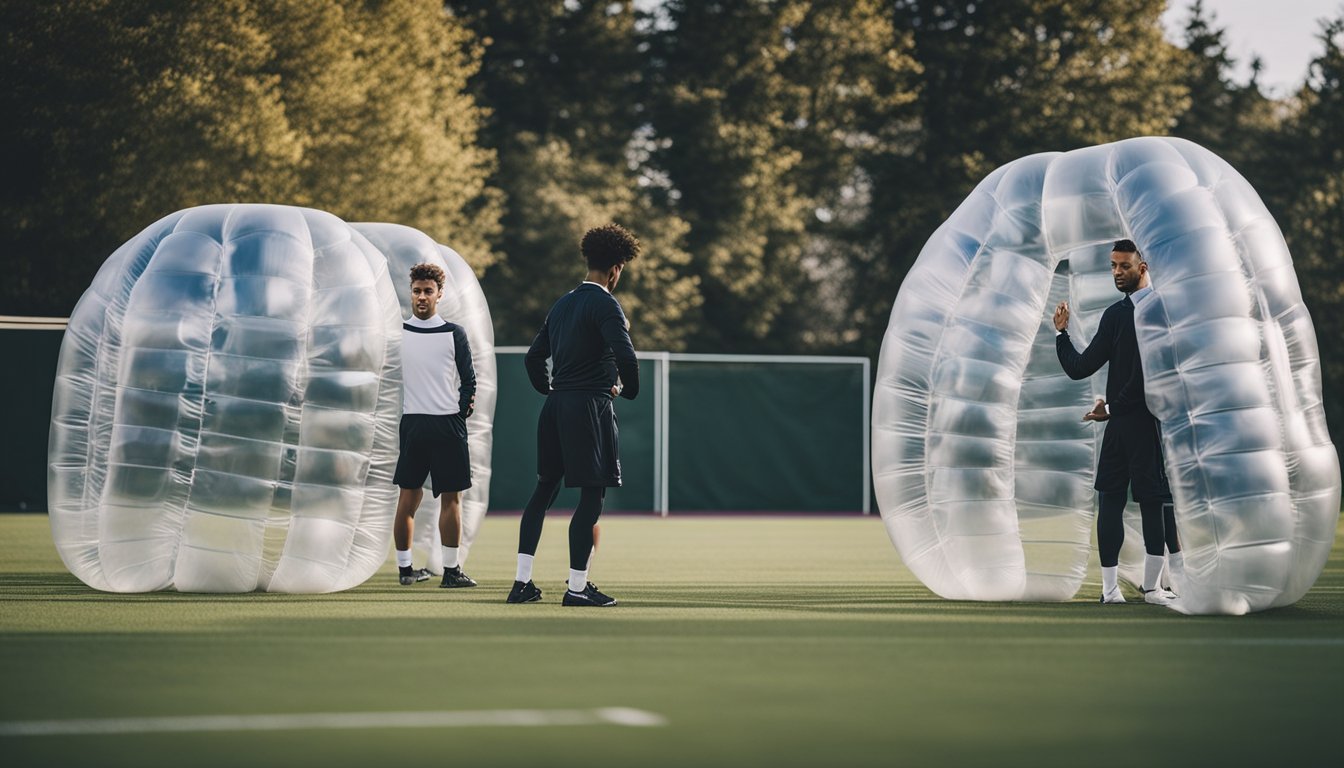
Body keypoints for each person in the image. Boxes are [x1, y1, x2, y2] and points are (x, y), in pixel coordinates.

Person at [508, 224, 641, 607]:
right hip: (589, 407)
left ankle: (522, 584)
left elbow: (534, 357)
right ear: (616, 269)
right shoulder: (606, 304)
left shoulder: (562, 304)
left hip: (555, 407)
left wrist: (549, 390)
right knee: (591, 495)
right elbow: (626, 355)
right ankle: (578, 588)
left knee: (543, 491)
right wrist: (626, 389)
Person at [1054, 239, 1183, 605]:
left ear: (1143, 267)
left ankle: (1153, 587)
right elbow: (1080, 368)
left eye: (1123, 266)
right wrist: (1061, 334)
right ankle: (1110, 590)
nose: (1116, 273)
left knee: (1153, 502)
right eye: (1112, 266)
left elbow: (1148, 378)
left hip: (1147, 423)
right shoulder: (1115, 315)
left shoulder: (1161, 311)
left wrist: (1109, 408)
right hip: (1125, 427)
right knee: (1113, 501)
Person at [392, 263, 478, 589]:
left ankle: (451, 572)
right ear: (410, 293)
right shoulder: (398, 332)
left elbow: (469, 380)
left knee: (451, 499)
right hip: (413, 424)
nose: (422, 297)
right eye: (417, 291)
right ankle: (405, 570)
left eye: (428, 291)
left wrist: (460, 413)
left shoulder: (454, 333)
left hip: (448, 425)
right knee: (408, 498)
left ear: (440, 294)